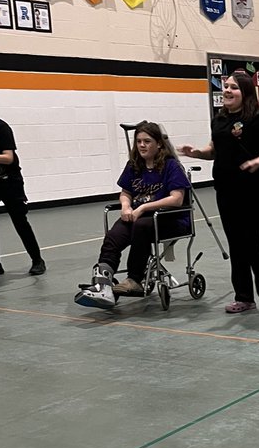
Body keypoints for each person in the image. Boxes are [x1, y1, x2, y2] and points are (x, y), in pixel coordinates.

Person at [180, 72, 259, 316]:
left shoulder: (257, 118)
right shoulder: (219, 120)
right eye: (225, 86)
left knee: (252, 243)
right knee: (236, 244)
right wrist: (198, 153)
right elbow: (215, 150)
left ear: (245, 93)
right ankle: (244, 297)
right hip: (226, 189)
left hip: (254, 190)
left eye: (234, 88)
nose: (227, 91)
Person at [74, 121, 190, 310]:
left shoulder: (171, 166)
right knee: (114, 236)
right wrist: (126, 206)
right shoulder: (134, 165)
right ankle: (102, 283)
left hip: (169, 218)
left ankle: (135, 279)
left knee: (141, 226)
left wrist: (143, 208)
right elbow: (126, 191)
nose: (142, 145)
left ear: (159, 144)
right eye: (138, 141)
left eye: (147, 141)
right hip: (138, 215)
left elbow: (177, 199)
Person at [0, 92, 45, 276]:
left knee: (20, 221)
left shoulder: (1, 128)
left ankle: (37, 260)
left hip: (10, 182)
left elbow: (8, 157)